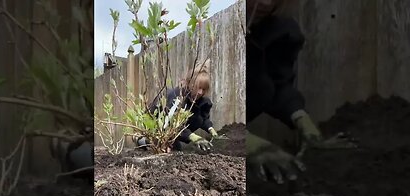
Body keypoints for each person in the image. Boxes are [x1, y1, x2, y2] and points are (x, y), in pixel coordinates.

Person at [246, 0, 356, 183]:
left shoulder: (278, 32)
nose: (265, 2)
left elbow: (277, 84)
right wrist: (250, 145)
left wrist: (306, 125)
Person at [136, 61, 225, 152]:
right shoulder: (176, 98)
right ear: (189, 83)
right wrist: (194, 137)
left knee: (178, 147)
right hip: (158, 127)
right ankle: (143, 140)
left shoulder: (203, 102)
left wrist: (211, 130)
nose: (200, 92)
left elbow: (203, 119)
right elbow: (172, 124)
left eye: (204, 89)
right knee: (171, 149)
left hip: (172, 133)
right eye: (198, 88)